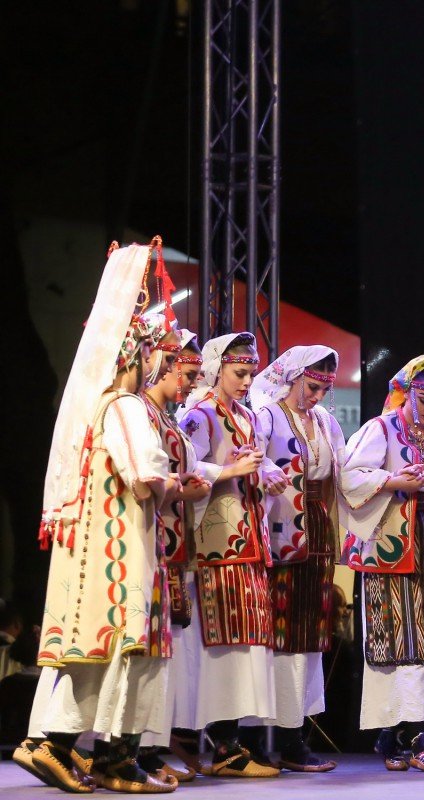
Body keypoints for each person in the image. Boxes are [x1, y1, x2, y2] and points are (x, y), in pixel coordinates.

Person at [29, 242, 182, 794]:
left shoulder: (106, 408)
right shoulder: (123, 407)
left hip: (121, 542)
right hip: (124, 548)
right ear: (135, 359)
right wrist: (175, 486)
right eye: (152, 357)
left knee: (120, 652)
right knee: (116, 649)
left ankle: (114, 757)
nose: (157, 366)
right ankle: (61, 746)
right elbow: (144, 477)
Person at [340, 355, 424, 772]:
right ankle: (414, 732)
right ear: (406, 392)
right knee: (397, 634)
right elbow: (349, 475)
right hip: (393, 537)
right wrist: (392, 480)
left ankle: (395, 732)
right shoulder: (381, 428)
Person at [178, 332, 287, 778]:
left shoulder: (248, 415)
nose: (246, 382)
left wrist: (269, 472)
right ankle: (220, 744)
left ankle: (229, 740)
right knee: (222, 645)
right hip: (217, 545)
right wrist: (229, 470)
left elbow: (255, 461)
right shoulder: (198, 415)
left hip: (248, 540)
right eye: (239, 373)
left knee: (247, 642)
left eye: (250, 374)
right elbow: (185, 470)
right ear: (216, 369)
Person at [245, 345, 346, 772]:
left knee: (309, 634)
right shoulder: (267, 415)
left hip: (317, 530)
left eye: (324, 389)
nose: (317, 396)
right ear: (293, 377)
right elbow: (250, 456)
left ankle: (293, 736)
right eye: (311, 386)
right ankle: (253, 738)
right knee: (277, 633)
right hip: (281, 531)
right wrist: (266, 469)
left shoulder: (325, 422)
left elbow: (343, 470)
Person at [135, 321, 215, 784]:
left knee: (165, 651)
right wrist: (182, 490)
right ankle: (134, 749)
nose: (188, 383)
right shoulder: (142, 413)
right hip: (151, 539)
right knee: (148, 648)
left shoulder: (166, 417)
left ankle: (150, 746)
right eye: (184, 373)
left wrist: (186, 486)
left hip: (172, 543)